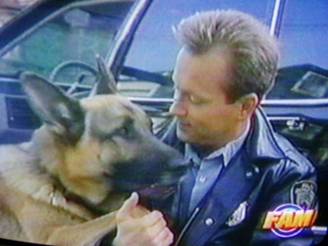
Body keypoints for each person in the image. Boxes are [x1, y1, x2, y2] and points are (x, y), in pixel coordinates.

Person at [112, 10, 318, 246]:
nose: (175, 109)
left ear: (246, 106)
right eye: (176, 90)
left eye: (195, 100)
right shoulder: (143, 151)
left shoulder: (287, 174)